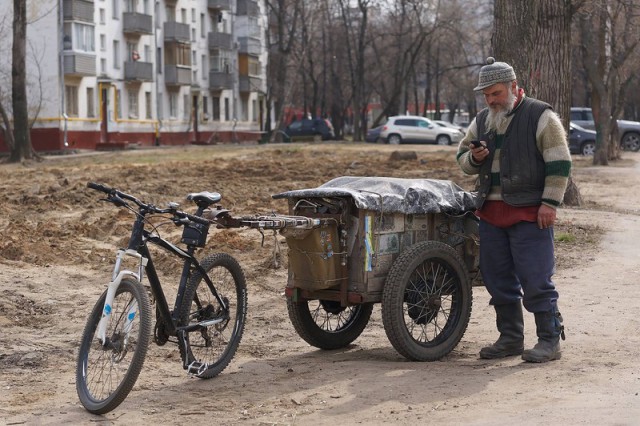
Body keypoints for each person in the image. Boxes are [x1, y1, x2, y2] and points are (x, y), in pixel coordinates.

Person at [456, 57, 571, 363]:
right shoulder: (482, 120)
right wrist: (476, 158)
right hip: (491, 214)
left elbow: (560, 162)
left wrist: (549, 203)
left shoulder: (540, 115)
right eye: (486, 95)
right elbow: (461, 158)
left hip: (530, 213)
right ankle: (510, 339)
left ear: (513, 87)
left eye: (495, 93)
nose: (491, 100)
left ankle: (549, 339)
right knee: (498, 279)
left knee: (536, 278)